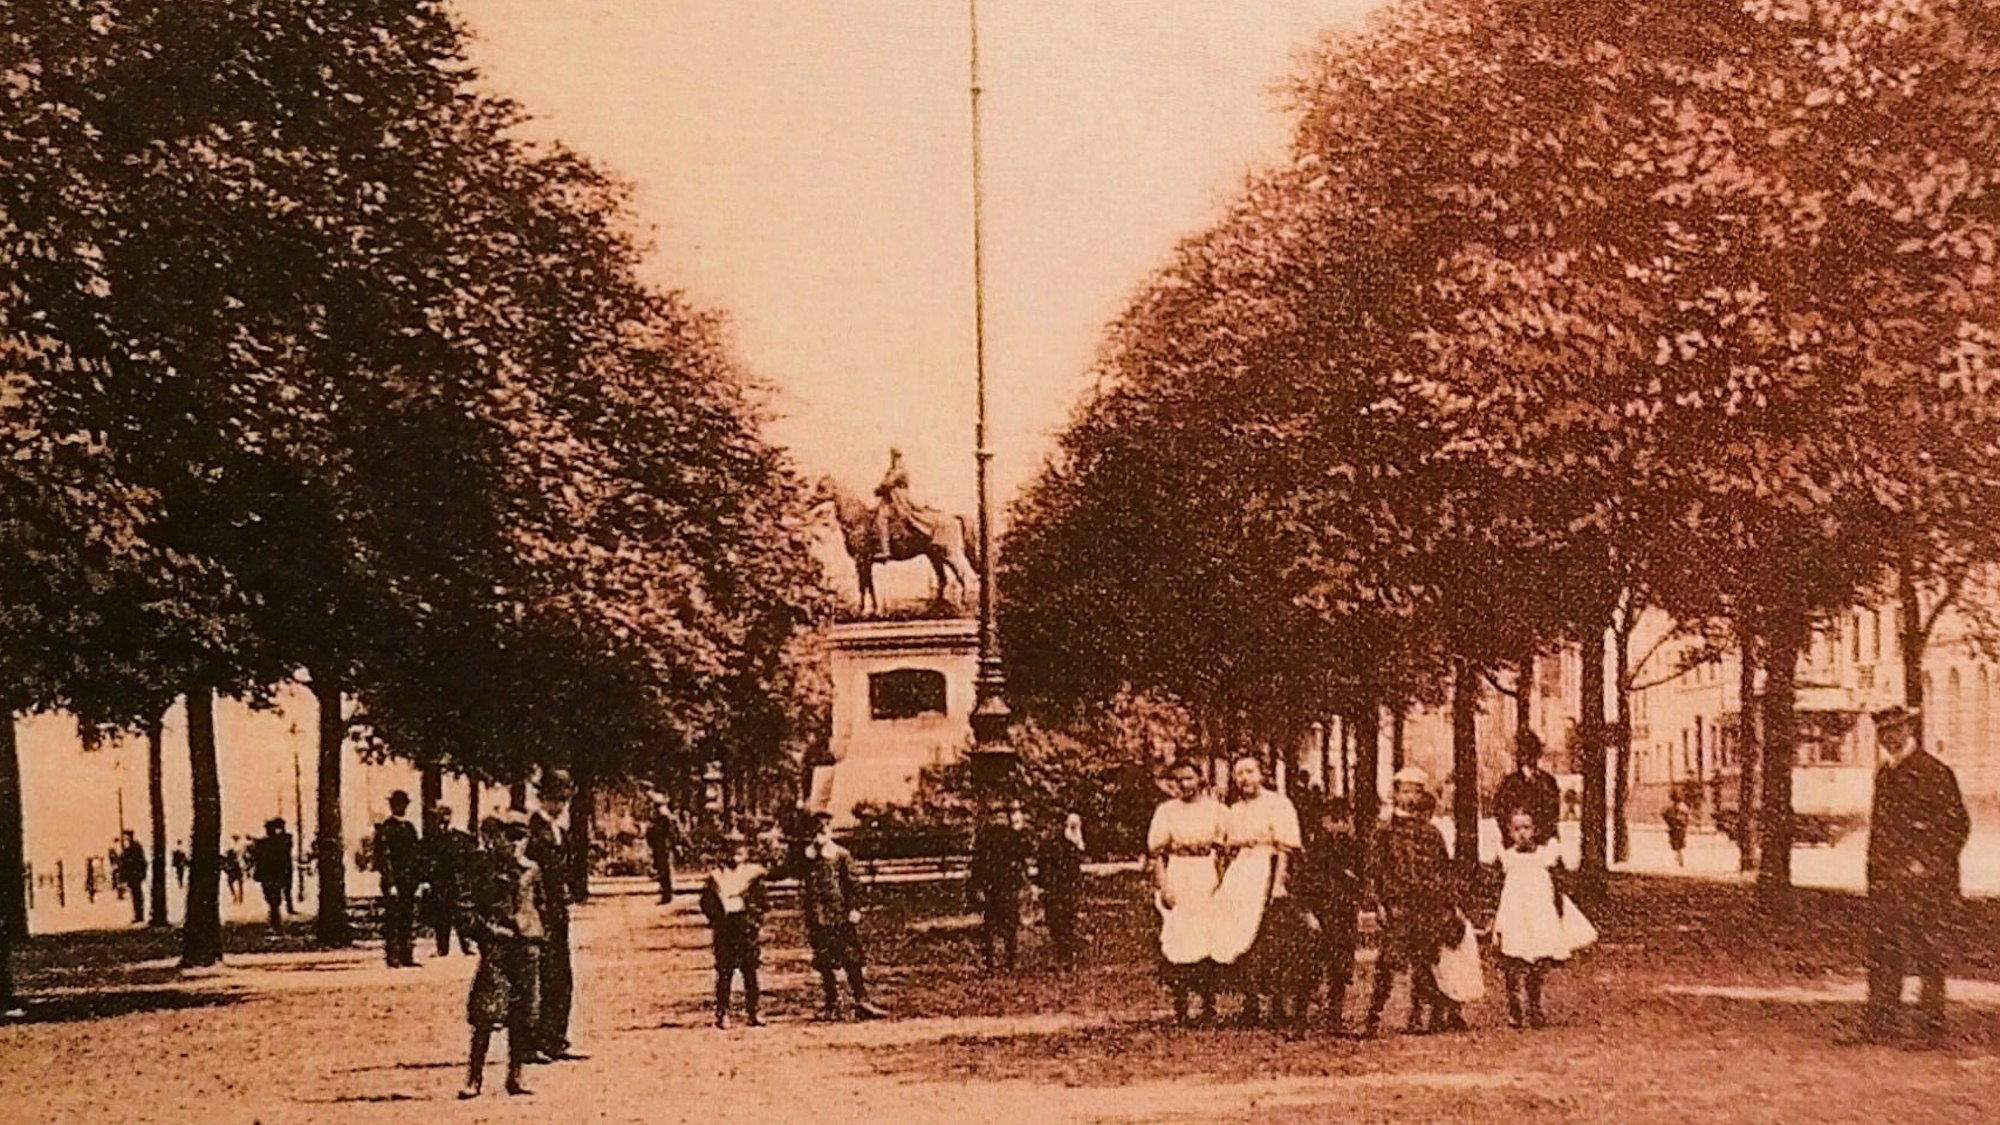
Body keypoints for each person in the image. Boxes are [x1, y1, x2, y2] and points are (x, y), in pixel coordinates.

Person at [1857, 707, 1971, 1045]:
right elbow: (1881, 830)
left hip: (1927, 882)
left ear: (1909, 729)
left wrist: (1926, 862)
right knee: (1884, 948)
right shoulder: (1885, 773)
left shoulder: (1934, 771)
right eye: (1883, 732)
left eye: (1895, 730)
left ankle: (1931, 1028)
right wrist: (1876, 872)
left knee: (1928, 953)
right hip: (1888, 880)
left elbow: (1956, 825)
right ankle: (1881, 1023)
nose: (1889, 738)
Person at [1364, 767, 1462, 1037]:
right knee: (1388, 960)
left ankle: (1418, 1014)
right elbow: (1374, 869)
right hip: (1398, 904)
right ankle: (1373, 1016)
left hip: (1427, 905)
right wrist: (1378, 903)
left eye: (1416, 791)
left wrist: (1449, 904)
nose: (1410, 797)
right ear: (1395, 794)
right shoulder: (1384, 832)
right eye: (1405, 791)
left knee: (1424, 960)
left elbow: (1443, 870)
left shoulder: (1431, 832)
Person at [1211, 756, 1302, 1026]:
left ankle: (1277, 1005)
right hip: (1241, 872)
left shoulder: (1279, 804)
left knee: (1271, 937)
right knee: (1238, 934)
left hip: (1268, 869)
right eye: (1239, 774)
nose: (1244, 779)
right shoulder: (1235, 810)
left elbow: (1285, 848)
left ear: (1262, 774)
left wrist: (1279, 883)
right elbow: (1227, 849)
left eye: (1250, 771)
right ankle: (1249, 1002)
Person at [459, 813, 544, 1100]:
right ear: (499, 839)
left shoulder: (532, 870)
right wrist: (487, 932)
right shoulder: (484, 867)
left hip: (527, 945)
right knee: (486, 1013)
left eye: (522, 838)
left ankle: (515, 1076)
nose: (516, 844)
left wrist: (537, 934)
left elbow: (541, 904)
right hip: (497, 945)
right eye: (511, 837)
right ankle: (474, 1078)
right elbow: (467, 905)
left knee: (524, 1013)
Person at [1491, 810, 1594, 1028]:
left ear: (1535, 830)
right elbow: (1498, 891)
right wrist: (1496, 920)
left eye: (1526, 828)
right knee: (1512, 962)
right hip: (1515, 916)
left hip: (1538, 915)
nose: (1522, 834)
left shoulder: (1545, 856)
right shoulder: (1508, 858)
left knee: (1538, 962)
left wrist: (1558, 913)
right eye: (1516, 829)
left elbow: (1556, 888)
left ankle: (1534, 1005)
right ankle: (1514, 1009)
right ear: (1509, 832)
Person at [1147, 758, 1225, 1025]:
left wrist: (1222, 884)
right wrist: (1164, 886)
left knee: (1206, 935)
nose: (1183, 784)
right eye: (1178, 780)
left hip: (1205, 872)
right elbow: (1157, 854)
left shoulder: (1216, 810)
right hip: (1179, 871)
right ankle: (1181, 1004)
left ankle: (1208, 1003)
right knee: (1178, 935)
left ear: (1200, 779)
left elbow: (1224, 852)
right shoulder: (1166, 811)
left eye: (1188, 778)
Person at [798, 810, 888, 1020]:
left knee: (851, 958)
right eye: (815, 832)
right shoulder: (807, 858)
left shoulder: (840, 855)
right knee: (824, 960)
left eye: (823, 830)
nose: (819, 836)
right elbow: (792, 871)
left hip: (839, 915)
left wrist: (854, 908)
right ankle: (832, 1004)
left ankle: (862, 1000)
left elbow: (854, 885)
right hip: (817, 916)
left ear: (830, 831)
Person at [527, 774, 587, 1061]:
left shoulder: (559, 830)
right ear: (543, 798)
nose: (561, 804)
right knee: (540, 976)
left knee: (561, 975)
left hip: (557, 911)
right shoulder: (533, 831)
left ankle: (556, 1039)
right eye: (556, 798)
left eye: (564, 799)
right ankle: (533, 1042)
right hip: (539, 912)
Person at [1294, 795, 1365, 1036]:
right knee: (1310, 965)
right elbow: (1303, 883)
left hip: (1344, 914)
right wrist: (1308, 913)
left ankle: (1334, 1016)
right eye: (1334, 820)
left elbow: (1363, 880)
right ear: (1324, 821)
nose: (1339, 825)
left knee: (1341, 966)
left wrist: (1356, 898)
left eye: (1344, 820)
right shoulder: (1316, 850)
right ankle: (1300, 1018)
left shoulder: (1354, 849)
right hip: (1321, 913)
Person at [699, 831, 768, 1029]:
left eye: (739, 850)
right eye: (730, 851)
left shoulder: (753, 875)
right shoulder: (716, 877)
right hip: (725, 927)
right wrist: (716, 919)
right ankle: (723, 1013)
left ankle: (754, 1012)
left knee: (750, 971)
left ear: (746, 853)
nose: (735, 855)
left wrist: (754, 919)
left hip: (746, 927)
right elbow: (706, 902)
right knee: (725, 972)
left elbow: (762, 901)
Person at [968, 804, 1033, 972]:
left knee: (1002, 924)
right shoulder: (990, 838)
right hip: (997, 885)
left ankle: (1002, 961)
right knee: (995, 925)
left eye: (1001, 816)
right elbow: (979, 864)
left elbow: (1023, 855)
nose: (999, 819)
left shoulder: (1003, 837)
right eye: (997, 816)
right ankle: (997, 961)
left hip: (1003, 885)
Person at [373, 791, 423, 968]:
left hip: (409, 881)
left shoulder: (409, 828)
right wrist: (391, 882)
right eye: (398, 804)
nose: (401, 807)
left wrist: (419, 879)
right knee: (393, 918)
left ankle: (406, 955)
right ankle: (393, 955)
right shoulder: (386, 829)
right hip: (394, 880)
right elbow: (383, 858)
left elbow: (416, 855)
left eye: (404, 804)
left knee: (407, 917)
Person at [422, 806, 477, 957]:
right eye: (440, 817)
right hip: (439, 882)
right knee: (441, 916)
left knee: (461, 915)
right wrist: (427, 880)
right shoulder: (432, 839)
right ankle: (442, 948)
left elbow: (469, 858)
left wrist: (466, 877)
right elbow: (425, 861)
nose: (443, 820)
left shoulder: (459, 837)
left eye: (446, 816)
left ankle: (466, 946)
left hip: (456, 881)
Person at [1036, 812, 1088, 969]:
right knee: (1057, 922)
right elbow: (1044, 867)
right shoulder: (1053, 845)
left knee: (1065, 921)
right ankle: (1062, 956)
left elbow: (1075, 865)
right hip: (1056, 888)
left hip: (1066, 888)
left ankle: (1065, 957)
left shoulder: (1071, 841)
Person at [1492, 730, 1562, 846]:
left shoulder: (1548, 781)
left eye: (1531, 753)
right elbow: (1500, 812)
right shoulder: (1509, 783)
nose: (1527, 758)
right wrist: (1513, 835)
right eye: (1523, 754)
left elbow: (1553, 813)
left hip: (1543, 843)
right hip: (1515, 844)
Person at [249, 819, 294, 928]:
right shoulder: (277, 841)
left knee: (273, 895)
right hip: (273, 873)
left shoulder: (280, 841)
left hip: (274, 873)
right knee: (272, 895)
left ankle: (275, 915)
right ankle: (275, 913)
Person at [872, 447, 911, 561]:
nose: (894, 460)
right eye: (893, 457)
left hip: (898, 500)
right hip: (890, 499)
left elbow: (887, 483)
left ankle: (885, 550)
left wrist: (879, 490)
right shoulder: (892, 470)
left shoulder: (899, 470)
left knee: (881, 517)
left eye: (896, 457)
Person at [644, 799, 682, 905]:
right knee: (662, 869)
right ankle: (666, 891)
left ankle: (667, 893)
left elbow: (671, 834)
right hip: (660, 847)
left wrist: (674, 845)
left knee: (665, 870)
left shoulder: (665, 819)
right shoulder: (661, 819)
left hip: (664, 847)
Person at [114, 831, 147, 925]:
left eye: (127, 837)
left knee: (137, 896)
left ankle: (139, 916)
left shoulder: (135, 847)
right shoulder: (130, 847)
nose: (126, 839)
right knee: (136, 896)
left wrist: (141, 874)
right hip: (133, 876)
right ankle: (138, 915)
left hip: (135, 875)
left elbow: (138, 861)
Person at [1663, 792, 1691, 868]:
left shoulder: (1678, 807)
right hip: (1678, 827)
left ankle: (1679, 857)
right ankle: (1679, 856)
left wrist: (1672, 821)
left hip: (1677, 827)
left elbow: (1668, 815)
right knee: (1677, 844)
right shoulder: (1681, 806)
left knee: (1677, 843)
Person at [222, 840, 246, 905]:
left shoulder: (232, 860)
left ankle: (237, 896)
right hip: (235, 871)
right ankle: (238, 897)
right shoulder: (234, 859)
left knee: (234, 884)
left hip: (235, 871)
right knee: (238, 884)